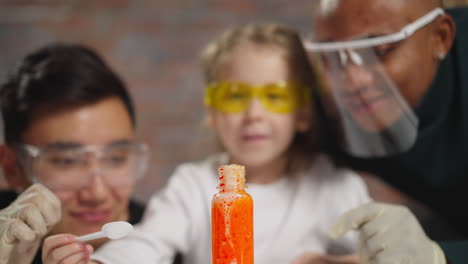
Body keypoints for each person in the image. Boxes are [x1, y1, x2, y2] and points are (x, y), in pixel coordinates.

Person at [43, 22, 372, 264]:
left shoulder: (336, 188)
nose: (254, 113)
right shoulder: (193, 186)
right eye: (235, 96)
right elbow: (148, 241)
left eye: (275, 96)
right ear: (212, 111)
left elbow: (382, 254)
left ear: (302, 114)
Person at [303, 0, 468, 263]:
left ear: (440, 37)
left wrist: (439, 256)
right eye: (331, 56)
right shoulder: (322, 102)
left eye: (379, 51)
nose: (353, 81)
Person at [0, 43, 149, 264]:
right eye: (68, 161)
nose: (97, 194)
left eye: (116, 158)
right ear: (12, 166)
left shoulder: (167, 236)